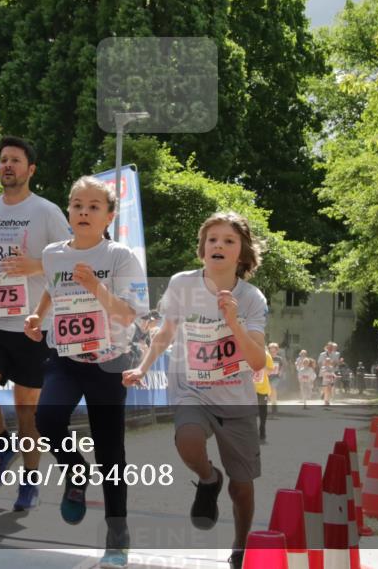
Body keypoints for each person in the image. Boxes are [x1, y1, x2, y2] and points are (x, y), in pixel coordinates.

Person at [123, 212, 268, 569]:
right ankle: (208, 478)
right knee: (187, 437)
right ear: (202, 249)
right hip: (194, 389)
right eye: (212, 239)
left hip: (235, 399)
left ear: (242, 253)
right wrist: (142, 366)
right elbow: (166, 331)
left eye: (229, 241)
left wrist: (232, 321)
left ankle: (240, 545)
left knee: (242, 486)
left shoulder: (251, 298)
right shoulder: (181, 284)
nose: (219, 244)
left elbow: (258, 360)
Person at [24, 176, 147, 568]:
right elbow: (51, 286)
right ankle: (75, 470)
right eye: (77, 205)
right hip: (66, 357)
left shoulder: (121, 258)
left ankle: (117, 533)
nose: (83, 212)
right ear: (69, 211)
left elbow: (130, 314)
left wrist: (95, 286)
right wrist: (37, 315)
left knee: (111, 451)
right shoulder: (53, 253)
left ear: (109, 216)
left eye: (94, 206)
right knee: (46, 417)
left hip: (109, 362)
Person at [0, 136, 72, 509]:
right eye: (3, 160)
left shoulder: (47, 212)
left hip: (32, 326)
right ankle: (1, 445)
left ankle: (29, 483)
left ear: (30, 169)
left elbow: (69, 259)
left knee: (28, 416)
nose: (8, 165)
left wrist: (35, 265)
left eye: (16, 161)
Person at [253, 346, 275, 444]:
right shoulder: (247, 353)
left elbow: (270, 371)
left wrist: (260, 367)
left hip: (262, 389)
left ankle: (262, 433)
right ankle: (252, 434)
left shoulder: (266, 355)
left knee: (262, 413)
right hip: (249, 389)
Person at [267, 343, 285, 414]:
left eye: (274, 351)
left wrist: (280, 372)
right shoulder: (267, 358)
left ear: (277, 351)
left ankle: (274, 405)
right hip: (267, 376)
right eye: (271, 351)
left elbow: (282, 367)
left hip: (276, 377)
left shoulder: (279, 358)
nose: (272, 353)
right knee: (268, 390)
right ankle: (273, 402)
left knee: (272, 387)